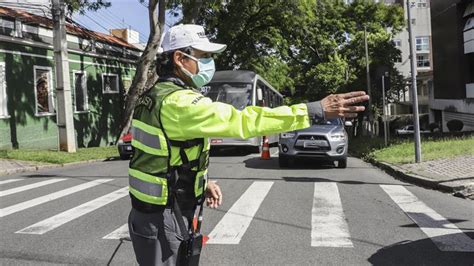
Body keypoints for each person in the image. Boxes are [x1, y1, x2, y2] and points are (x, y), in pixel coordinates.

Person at [127, 24, 369, 266]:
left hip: (154, 211)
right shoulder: (180, 102)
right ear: (180, 58)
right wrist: (314, 110)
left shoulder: (153, 96)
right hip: (164, 217)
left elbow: (159, 155)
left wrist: (201, 182)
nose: (210, 63)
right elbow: (246, 120)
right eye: (204, 56)